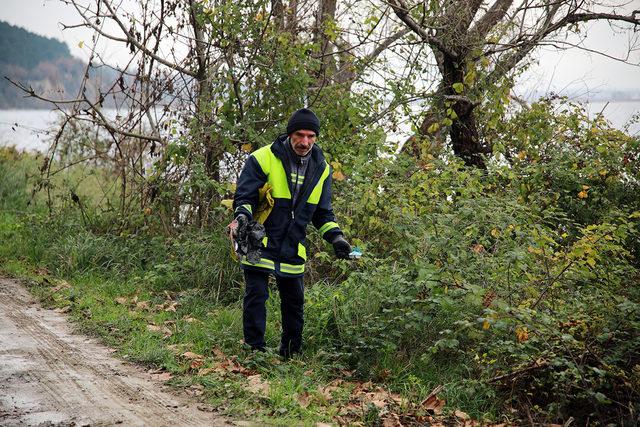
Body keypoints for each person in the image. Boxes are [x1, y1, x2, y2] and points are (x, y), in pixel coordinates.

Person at [229, 108, 351, 358]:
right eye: (299, 135)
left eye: (310, 136)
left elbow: (323, 213)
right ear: (289, 134)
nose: (304, 142)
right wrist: (242, 218)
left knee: (294, 302)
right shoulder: (262, 158)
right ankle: (255, 353)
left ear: (315, 138)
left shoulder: (322, 169)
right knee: (257, 296)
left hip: (293, 244)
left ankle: (291, 355)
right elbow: (245, 197)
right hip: (258, 239)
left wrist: (336, 237)